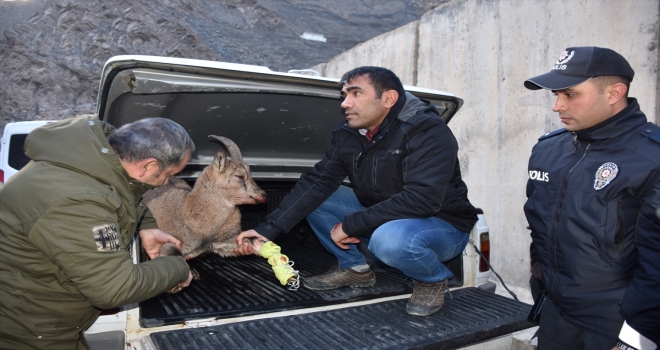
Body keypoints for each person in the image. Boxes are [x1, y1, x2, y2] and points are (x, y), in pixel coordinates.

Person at [235, 66, 478, 317]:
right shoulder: (348, 134)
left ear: (388, 99)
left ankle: (431, 279)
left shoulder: (426, 130)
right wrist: (267, 231)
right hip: (387, 216)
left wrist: (351, 225)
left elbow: (422, 200)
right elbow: (317, 182)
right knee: (316, 197)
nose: (345, 103)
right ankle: (356, 269)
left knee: (389, 240)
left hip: (440, 225)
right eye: (344, 95)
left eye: (355, 93)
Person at [0, 115, 195, 349]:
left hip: (49, 316)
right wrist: (178, 268)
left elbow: (124, 192)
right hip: (28, 328)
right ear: (148, 165)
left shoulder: (90, 162)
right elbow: (115, 288)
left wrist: (147, 227)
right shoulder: (75, 200)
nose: (165, 182)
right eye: (168, 174)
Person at [523, 46, 660, 350]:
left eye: (570, 94)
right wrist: (541, 288)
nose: (557, 106)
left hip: (614, 326)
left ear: (614, 93)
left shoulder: (651, 158)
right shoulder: (547, 150)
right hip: (556, 317)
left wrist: (638, 339)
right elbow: (541, 228)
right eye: (555, 94)